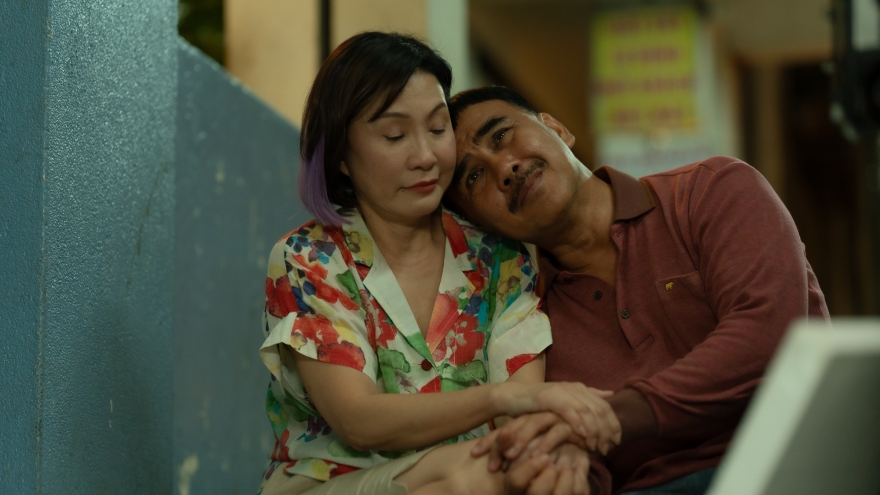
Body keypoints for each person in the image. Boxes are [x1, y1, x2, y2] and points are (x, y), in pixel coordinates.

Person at [257, 33, 618, 495]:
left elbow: (521, 421)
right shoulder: (309, 258)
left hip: (477, 475)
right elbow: (359, 421)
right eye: (395, 136)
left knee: (537, 471)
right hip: (335, 483)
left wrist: (551, 449)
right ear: (341, 155)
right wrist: (502, 398)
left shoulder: (499, 257)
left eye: (437, 127)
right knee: (478, 474)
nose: (426, 157)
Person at [444, 86, 830, 495]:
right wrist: (568, 466)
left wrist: (612, 417)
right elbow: (584, 462)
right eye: (474, 176)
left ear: (557, 128)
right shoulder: (529, 328)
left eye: (501, 135)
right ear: (481, 226)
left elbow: (770, 337)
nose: (504, 168)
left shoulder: (710, 190)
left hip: (797, 463)